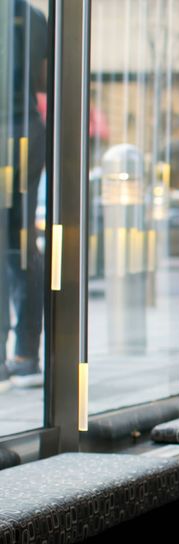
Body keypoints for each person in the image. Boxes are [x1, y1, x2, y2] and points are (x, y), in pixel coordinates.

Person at [2, 0, 48, 388]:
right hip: (27, 130)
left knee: (14, 243)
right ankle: (25, 351)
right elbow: (45, 80)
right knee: (19, 240)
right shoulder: (33, 15)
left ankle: (20, 351)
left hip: (12, 127)